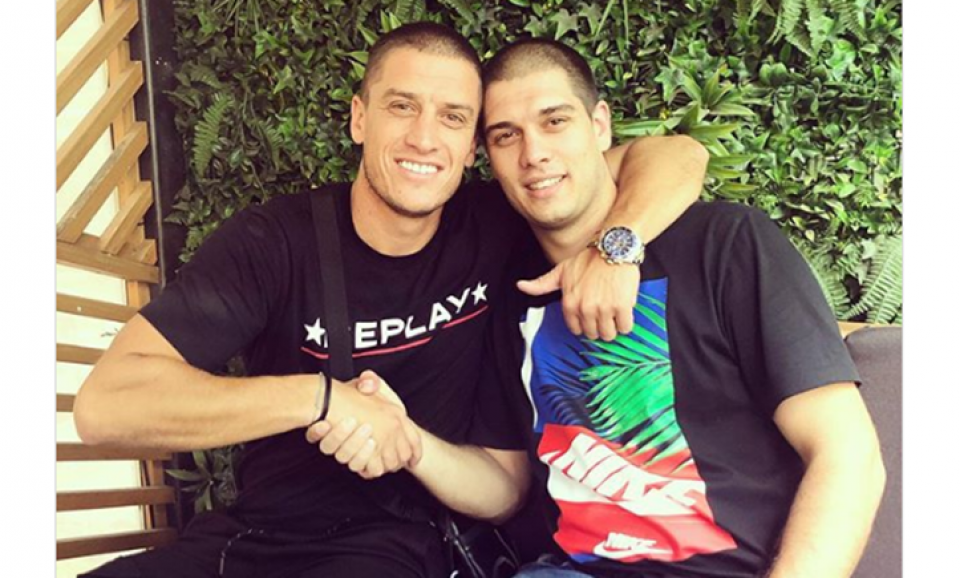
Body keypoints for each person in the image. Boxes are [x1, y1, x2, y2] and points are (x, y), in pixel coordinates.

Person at [73, 23, 707, 578]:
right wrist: (319, 397)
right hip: (252, 536)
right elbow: (106, 407)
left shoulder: (496, 222)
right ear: (359, 118)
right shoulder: (274, 242)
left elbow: (677, 154)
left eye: (453, 118)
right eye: (402, 106)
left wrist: (615, 248)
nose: (424, 138)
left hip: (397, 544)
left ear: (473, 147)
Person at [318, 38, 886, 578]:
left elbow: (846, 454)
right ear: (486, 156)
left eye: (555, 121)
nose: (534, 154)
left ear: (599, 126)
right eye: (506, 135)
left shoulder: (726, 245)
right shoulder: (508, 286)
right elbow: (505, 485)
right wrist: (410, 441)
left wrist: (616, 247)